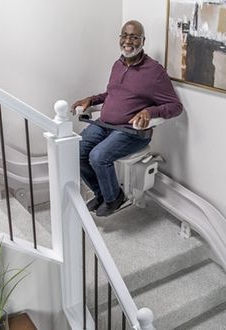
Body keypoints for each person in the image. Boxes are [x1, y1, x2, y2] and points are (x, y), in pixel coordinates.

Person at [72, 20, 183, 217]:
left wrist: (150, 112)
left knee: (97, 156)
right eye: (124, 35)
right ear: (120, 38)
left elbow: (176, 106)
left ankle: (114, 197)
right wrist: (91, 99)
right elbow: (111, 94)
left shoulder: (155, 71)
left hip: (132, 132)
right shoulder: (118, 64)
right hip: (104, 125)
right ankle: (102, 193)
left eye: (134, 36)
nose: (128, 41)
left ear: (143, 40)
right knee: (76, 151)